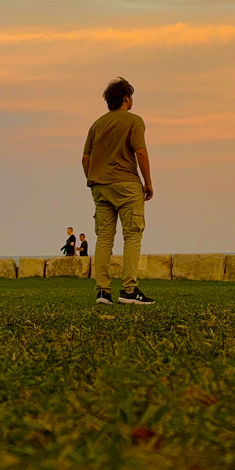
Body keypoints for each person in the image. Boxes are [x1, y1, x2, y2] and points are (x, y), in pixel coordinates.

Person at [82, 76, 155, 306]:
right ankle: (129, 290)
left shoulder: (97, 125)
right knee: (132, 235)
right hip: (126, 184)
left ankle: (103, 292)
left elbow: (86, 157)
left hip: (100, 187)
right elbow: (140, 152)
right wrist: (148, 182)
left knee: (104, 237)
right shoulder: (134, 121)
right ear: (126, 98)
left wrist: (93, 179)